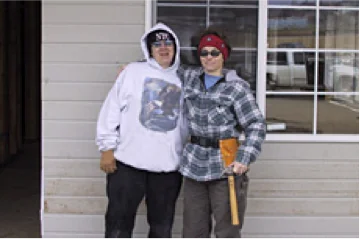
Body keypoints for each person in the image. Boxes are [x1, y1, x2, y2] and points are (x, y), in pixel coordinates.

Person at [95, 22, 187, 239]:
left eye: (168, 43)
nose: (163, 48)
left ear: (176, 47)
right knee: (118, 224)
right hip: (128, 164)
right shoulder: (132, 73)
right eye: (157, 44)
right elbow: (111, 109)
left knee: (162, 228)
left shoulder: (185, 79)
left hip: (168, 167)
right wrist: (106, 148)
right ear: (149, 49)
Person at [178, 28, 266, 239]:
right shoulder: (188, 78)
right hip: (193, 165)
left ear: (223, 55)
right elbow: (161, 67)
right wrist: (132, 68)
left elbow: (256, 124)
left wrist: (244, 158)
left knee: (227, 230)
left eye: (214, 52)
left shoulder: (236, 89)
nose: (209, 57)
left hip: (225, 165)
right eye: (204, 53)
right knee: (193, 230)